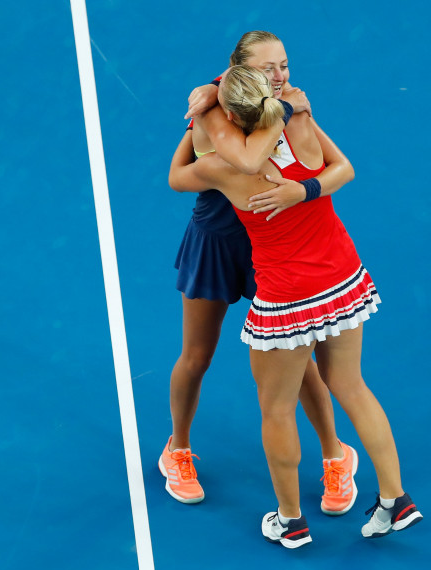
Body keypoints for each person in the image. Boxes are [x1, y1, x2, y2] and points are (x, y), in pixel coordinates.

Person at [169, 63, 422, 548]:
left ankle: (290, 521)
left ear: (226, 118)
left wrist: (196, 123)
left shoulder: (218, 168)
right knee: (352, 385)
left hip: (287, 298)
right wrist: (303, 183)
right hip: (343, 280)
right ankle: (396, 499)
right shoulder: (303, 128)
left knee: (277, 410)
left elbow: (177, 178)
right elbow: (343, 166)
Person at [160, 31, 357, 518]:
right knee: (197, 355)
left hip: (275, 246)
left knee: (298, 364)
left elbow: (339, 167)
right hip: (217, 242)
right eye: (269, 68)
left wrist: (303, 186)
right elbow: (203, 171)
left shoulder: (289, 104)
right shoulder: (215, 107)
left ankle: (336, 454)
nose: (280, 76)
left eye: (284, 65)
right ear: (236, 72)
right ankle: (177, 450)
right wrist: (272, 110)